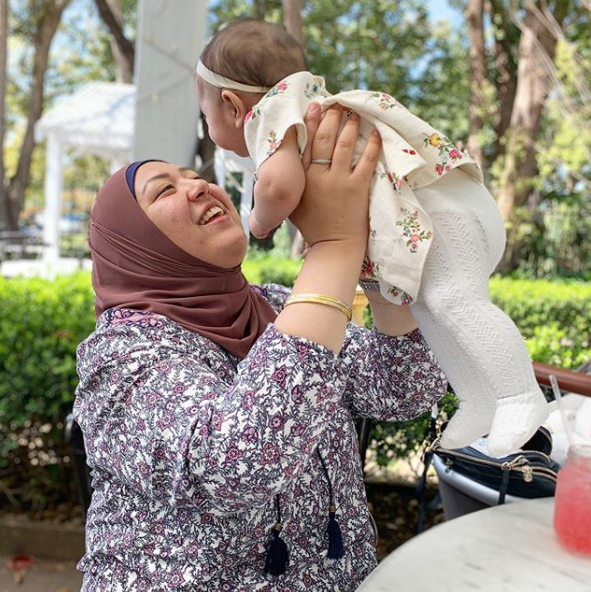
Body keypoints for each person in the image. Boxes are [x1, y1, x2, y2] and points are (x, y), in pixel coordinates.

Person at [73, 105, 446, 591]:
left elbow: (403, 388)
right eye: (164, 189)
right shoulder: (120, 355)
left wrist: (376, 264)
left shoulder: (273, 306)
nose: (199, 185)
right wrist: (332, 245)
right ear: (135, 246)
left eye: (193, 175)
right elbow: (237, 466)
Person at [195, 18, 548, 457]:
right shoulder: (308, 100)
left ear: (231, 104)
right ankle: (477, 399)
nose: (209, 128)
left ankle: (519, 396)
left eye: (205, 116)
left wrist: (259, 222)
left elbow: (278, 187)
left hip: (438, 218)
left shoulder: (273, 113)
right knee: (433, 306)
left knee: (455, 302)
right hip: (441, 211)